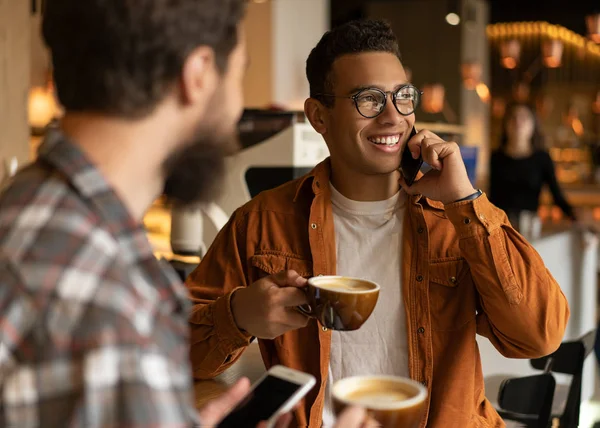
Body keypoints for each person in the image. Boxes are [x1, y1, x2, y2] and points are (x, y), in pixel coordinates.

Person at [185, 19, 570, 427]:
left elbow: (538, 335)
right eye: (369, 99)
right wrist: (239, 315)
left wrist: (464, 199)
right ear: (319, 116)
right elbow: (171, 355)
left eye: (403, 97)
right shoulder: (262, 222)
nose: (393, 117)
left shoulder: (455, 221)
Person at [0, 1, 365, 426]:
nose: (234, 110)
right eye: (240, 73)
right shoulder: (103, 295)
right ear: (199, 74)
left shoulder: (29, 208)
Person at [489, 102, 577, 226]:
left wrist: (577, 217)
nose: (518, 122)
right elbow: (489, 196)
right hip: (498, 224)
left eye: (524, 118)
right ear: (506, 124)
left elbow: (557, 195)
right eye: (513, 117)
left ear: (533, 125)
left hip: (529, 225)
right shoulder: (494, 158)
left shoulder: (542, 158)